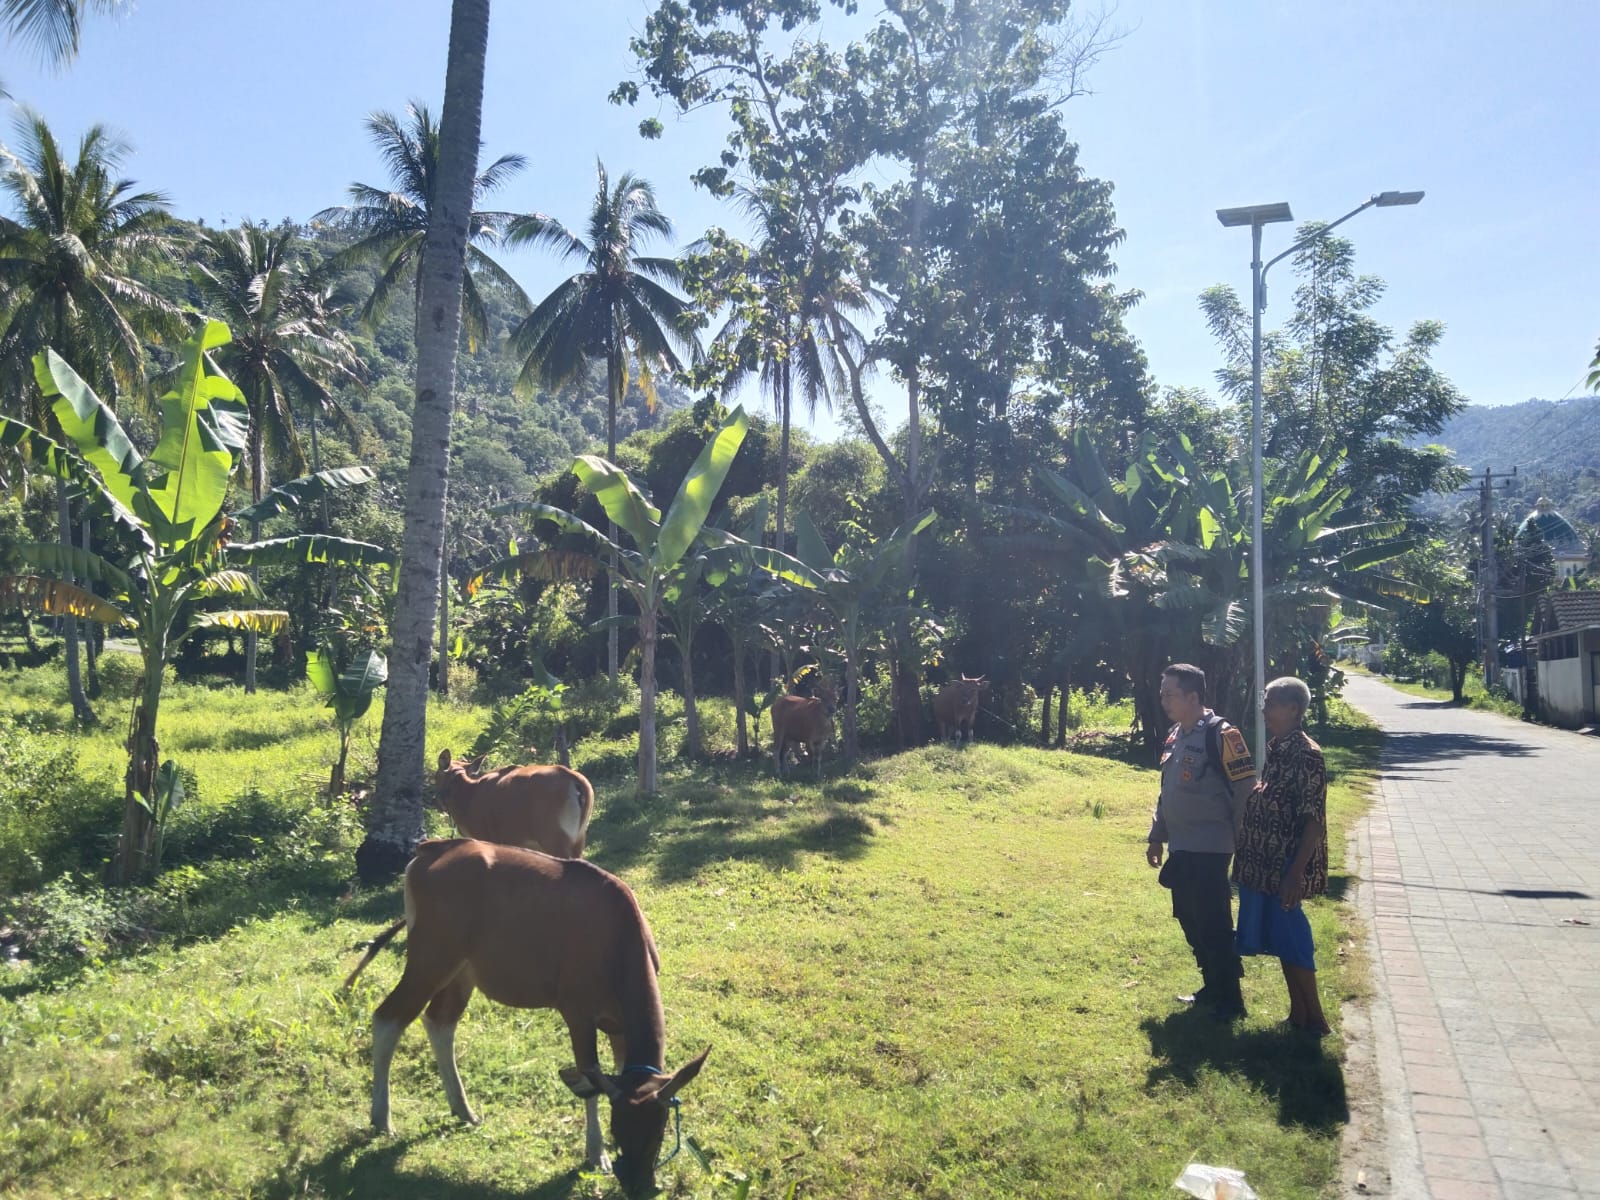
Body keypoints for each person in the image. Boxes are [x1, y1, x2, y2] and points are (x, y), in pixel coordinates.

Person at [1145, 664, 1256, 1020]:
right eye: (1162, 693)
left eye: (1170, 694)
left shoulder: (1222, 734)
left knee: (1212, 922)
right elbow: (1167, 790)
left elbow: (1245, 790)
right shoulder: (1176, 735)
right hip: (1182, 844)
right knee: (1188, 917)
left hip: (1211, 845)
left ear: (1193, 697)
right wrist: (1156, 835)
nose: (1163, 700)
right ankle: (1212, 986)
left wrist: (1242, 841)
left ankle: (1230, 1000)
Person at [1232, 675, 1330, 1034]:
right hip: (1265, 866)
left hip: (1286, 865)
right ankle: (1298, 1016)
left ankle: (1316, 1019)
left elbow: (1313, 821)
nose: (1264, 710)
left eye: (1270, 703)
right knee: (1283, 939)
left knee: (1294, 937)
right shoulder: (1278, 748)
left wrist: (1294, 874)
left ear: (1292, 709)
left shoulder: (1305, 754)